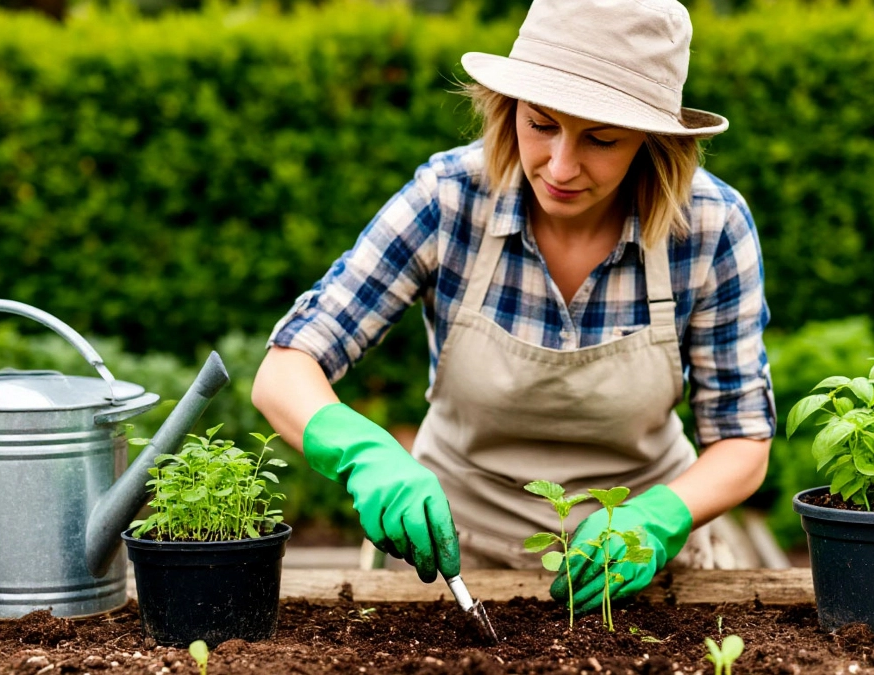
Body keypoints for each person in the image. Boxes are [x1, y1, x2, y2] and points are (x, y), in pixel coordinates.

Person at [251, 0, 775, 611]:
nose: (560, 166)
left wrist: (663, 515)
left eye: (601, 139)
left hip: (639, 573)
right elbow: (285, 369)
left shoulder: (708, 225)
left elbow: (742, 441)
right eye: (541, 123)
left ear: (653, 141)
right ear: (510, 109)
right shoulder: (450, 201)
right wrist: (363, 454)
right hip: (452, 566)